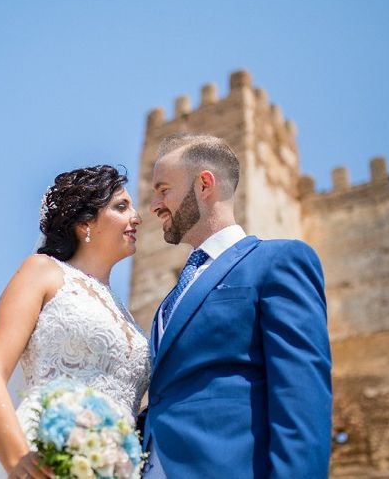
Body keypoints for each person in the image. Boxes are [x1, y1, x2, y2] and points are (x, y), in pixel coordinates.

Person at [142, 134, 332, 478]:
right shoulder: (171, 300)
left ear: (204, 184)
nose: (154, 204)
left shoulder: (278, 260)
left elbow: (302, 398)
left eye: (163, 189)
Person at [0, 165, 151, 479]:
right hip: (45, 458)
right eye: (121, 207)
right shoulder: (43, 272)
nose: (136, 217)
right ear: (85, 224)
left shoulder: (128, 318)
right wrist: (18, 459)